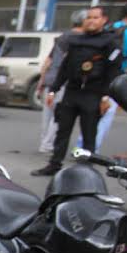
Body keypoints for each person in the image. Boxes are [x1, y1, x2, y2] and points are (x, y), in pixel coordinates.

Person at [31, 6, 121, 177]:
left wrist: (106, 96)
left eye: (95, 17)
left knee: (89, 134)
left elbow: (113, 71)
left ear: (103, 20)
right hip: (72, 91)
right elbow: (65, 68)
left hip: (93, 93)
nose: (91, 21)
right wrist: (53, 90)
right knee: (62, 131)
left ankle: (87, 170)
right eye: (88, 18)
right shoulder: (76, 40)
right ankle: (54, 164)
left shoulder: (109, 43)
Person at [93, 0, 127, 150]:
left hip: (99, 73)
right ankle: (91, 149)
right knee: (106, 114)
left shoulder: (111, 27)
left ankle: (83, 145)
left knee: (95, 113)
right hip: (115, 76)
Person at [36, 9, 88, 153]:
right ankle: (48, 143)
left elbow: (48, 61)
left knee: (47, 114)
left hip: (50, 80)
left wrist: (42, 80)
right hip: (63, 82)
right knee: (60, 115)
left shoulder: (62, 37)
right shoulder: (81, 40)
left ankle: (44, 142)